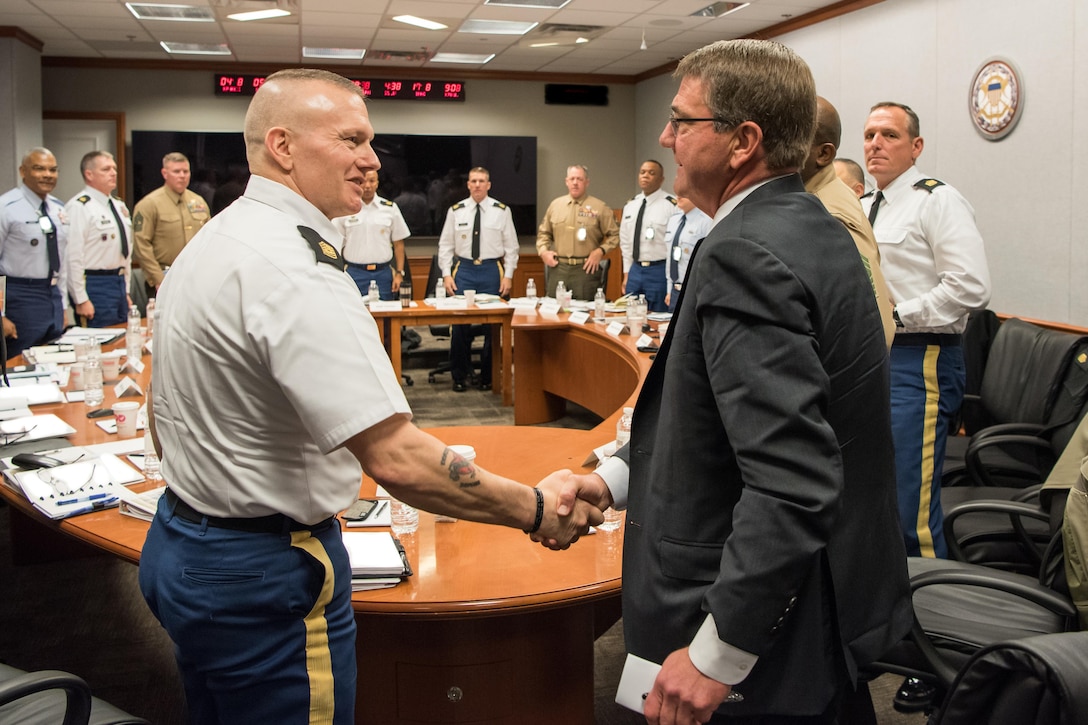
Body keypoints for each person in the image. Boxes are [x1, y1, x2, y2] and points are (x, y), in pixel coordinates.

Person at [138, 69, 599, 725]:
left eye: (371, 141)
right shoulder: (297, 270)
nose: (371, 160)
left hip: (182, 542)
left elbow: (163, 413)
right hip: (263, 570)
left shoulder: (217, 238)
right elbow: (398, 459)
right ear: (283, 146)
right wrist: (533, 508)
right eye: (352, 139)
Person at [543, 40, 912, 724]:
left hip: (757, 628)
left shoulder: (746, 252)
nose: (665, 137)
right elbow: (722, 424)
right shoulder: (810, 225)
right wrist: (615, 477)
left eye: (683, 121)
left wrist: (719, 650)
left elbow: (792, 478)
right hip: (818, 602)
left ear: (743, 141)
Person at [861, 101, 991, 560]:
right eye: (870, 134)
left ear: (915, 147)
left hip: (921, 360)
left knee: (906, 508)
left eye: (889, 135)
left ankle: (929, 617)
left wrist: (898, 316)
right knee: (868, 498)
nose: (875, 143)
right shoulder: (863, 207)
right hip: (870, 361)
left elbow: (971, 287)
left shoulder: (936, 200)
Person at [801, 97, 894, 347]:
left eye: (793, 136)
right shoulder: (810, 200)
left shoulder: (830, 215)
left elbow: (875, 329)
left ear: (823, 153)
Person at [437, 166, 519, 393]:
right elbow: (445, 245)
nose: (477, 185)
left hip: (492, 271)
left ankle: (488, 376)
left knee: (492, 328)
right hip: (463, 271)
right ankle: (459, 376)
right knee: (460, 326)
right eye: (473, 181)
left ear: (489, 185)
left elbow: (512, 248)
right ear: (468, 184)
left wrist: (509, 275)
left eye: (482, 181)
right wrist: (445, 273)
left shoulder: (501, 211)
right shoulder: (456, 210)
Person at [0, 148, 68, 359]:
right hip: (19, 296)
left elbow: (62, 261)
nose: (47, 174)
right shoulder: (6, 207)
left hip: (52, 295)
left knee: (53, 361)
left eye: (52, 169)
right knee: (19, 364)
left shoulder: (58, 208)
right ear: (23, 171)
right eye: (39, 169)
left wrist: (63, 306)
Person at [64, 150, 132, 327]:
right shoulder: (80, 206)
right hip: (95, 284)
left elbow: (125, 252)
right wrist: (80, 299)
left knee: (121, 338)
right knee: (100, 342)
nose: (113, 173)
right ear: (89, 174)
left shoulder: (118, 205)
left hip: (117, 281)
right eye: (106, 169)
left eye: (114, 168)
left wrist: (125, 290)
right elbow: (73, 256)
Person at [131, 151, 209, 298]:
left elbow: (209, 238)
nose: (182, 175)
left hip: (194, 278)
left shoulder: (199, 202)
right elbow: (141, 244)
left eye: (185, 171)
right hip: (163, 277)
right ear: (165, 173)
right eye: (176, 171)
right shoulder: (149, 204)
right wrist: (158, 279)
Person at [536, 164, 618, 300]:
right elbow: (544, 233)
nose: (575, 183)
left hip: (586, 270)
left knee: (585, 314)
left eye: (579, 179)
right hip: (559, 268)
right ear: (566, 181)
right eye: (572, 179)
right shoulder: (555, 206)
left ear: (587, 182)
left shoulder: (600, 207)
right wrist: (543, 251)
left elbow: (615, 235)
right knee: (554, 313)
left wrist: (600, 251)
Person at [331, 169, 410, 300]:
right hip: (354, 273)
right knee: (354, 315)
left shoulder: (390, 209)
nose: (367, 186)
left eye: (372, 181)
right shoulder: (345, 208)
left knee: (385, 316)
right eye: (363, 181)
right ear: (358, 183)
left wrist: (399, 273)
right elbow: (335, 243)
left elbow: (399, 245)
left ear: (377, 183)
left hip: (383, 273)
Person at [619, 160, 676, 311]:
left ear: (661, 179)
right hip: (635, 270)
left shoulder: (670, 205)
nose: (645, 176)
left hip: (659, 270)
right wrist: (626, 273)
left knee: (657, 317)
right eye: (642, 172)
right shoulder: (631, 205)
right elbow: (625, 243)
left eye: (652, 173)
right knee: (631, 315)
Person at [663, 196, 712, 312]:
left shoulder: (706, 221)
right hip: (675, 290)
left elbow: (707, 261)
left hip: (693, 291)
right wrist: (669, 289)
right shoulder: (674, 220)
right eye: (677, 193)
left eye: (683, 193)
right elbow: (670, 258)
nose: (678, 196)